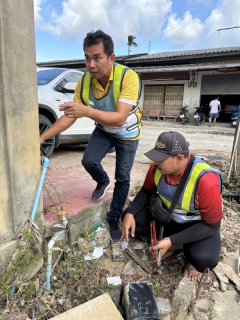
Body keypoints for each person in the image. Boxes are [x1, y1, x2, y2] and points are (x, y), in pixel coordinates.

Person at [40, 30, 142, 242]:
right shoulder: (84, 82)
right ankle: (102, 181)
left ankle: (114, 217)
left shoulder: (127, 77)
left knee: (123, 177)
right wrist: (42, 137)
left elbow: (120, 118)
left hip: (127, 134)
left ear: (111, 58)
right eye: (87, 58)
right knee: (88, 160)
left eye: (97, 57)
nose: (91, 64)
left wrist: (85, 111)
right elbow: (70, 116)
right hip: (104, 130)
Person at [122, 131, 222, 280]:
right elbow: (146, 191)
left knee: (204, 259)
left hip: (196, 227)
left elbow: (212, 225)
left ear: (179, 158)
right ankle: (175, 243)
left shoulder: (205, 179)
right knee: (130, 218)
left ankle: (179, 246)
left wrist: (171, 240)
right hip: (168, 218)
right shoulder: (157, 168)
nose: (156, 162)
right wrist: (129, 212)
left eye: (160, 159)